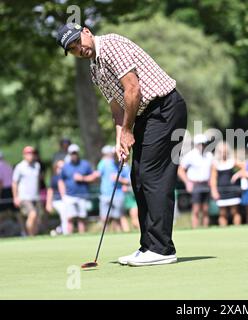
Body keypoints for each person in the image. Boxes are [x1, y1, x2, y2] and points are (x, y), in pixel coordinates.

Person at [57, 22, 187, 266]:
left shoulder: (111, 45)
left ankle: (163, 248)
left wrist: (128, 130)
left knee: (152, 175)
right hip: (146, 116)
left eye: (77, 41)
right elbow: (117, 106)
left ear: (86, 31)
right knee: (137, 177)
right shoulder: (95, 68)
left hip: (165, 110)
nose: (78, 48)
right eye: (72, 49)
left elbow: (133, 90)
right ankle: (148, 246)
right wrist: (120, 138)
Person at [58, 144, 97, 234]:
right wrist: (63, 195)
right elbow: (61, 181)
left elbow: (93, 177)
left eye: (75, 153)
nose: (74, 155)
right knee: (70, 218)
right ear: (69, 154)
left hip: (82, 195)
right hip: (69, 196)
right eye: (72, 153)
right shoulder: (65, 166)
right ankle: (69, 237)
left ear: (78, 153)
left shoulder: (85, 164)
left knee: (81, 218)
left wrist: (82, 178)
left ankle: (82, 237)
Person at [178, 134, 213, 228]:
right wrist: (187, 182)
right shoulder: (190, 155)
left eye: (203, 144)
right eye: (200, 144)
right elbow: (180, 170)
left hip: (206, 184)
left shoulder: (209, 155)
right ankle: (195, 229)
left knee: (206, 209)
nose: (202, 146)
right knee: (196, 209)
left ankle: (205, 229)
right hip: (195, 185)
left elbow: (212, 170)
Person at [96, 145, 130, 232]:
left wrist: (119, 179)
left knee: (118, 218)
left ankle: (118, 236)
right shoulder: (104, 163)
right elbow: (97, 174)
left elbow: (129, 181)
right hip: (105, 194)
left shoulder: (124, 165)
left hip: (118, 195)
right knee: (104, 219)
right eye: (114, 153)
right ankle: (106, 234)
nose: (115, 155)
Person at [210, 142, 242, 227]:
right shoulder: (215, 164)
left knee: (234, 211)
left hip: (232, 190)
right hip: (221, 191)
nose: (223, 153)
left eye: (225, 151)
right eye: (221, 151)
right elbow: (213, 179)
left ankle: (237, 230)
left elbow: (245, 167)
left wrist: (237, 174)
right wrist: (214, 191)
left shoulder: (232, 161)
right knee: (222, 213)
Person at [12, 146, 41, 236]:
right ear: (24, 155)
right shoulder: (20, 167)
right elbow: (14, 183)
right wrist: (15, 197)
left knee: (36, 219)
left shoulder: (37, 166)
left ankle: (33, 236)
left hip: (35, 196)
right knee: (33, 214)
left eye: (32, 153)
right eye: (28, 153)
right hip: (24, 197)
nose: (30, 155)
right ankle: (29, 235)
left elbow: (37, 182)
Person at [46, 160, 68, 234]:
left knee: (68, 217)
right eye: (59, 167)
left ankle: (58, 230)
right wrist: (48, 203)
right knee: (65, 216)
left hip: (67, 199)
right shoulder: (55, 178)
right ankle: (65, 232)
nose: (61, 169)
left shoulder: (67, 177)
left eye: (63, 167)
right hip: (58, 200)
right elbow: (50, 190)